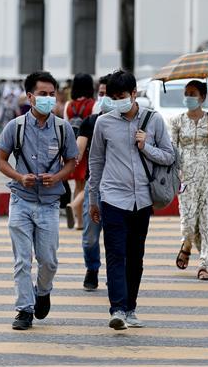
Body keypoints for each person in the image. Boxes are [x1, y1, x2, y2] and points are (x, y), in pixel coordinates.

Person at [88, 70, 175, 330]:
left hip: (142, 200)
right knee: (115, 253)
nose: (117, 101)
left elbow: (169, 157)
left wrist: (145, 146)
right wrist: (93, 199)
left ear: (134, 94)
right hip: (112, 198)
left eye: (122, 96)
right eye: (113, 97)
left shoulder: (154, 120)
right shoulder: (103, 123)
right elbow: (96, 161)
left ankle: (131, 307)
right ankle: (117, 309)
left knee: (135, 256)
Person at [0, 71, 78, 331]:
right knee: (22, 260)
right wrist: (20, 177)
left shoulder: (63, 128)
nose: (48, 99)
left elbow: (72, 163)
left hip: (50, 204)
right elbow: (0, 161)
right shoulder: (15, 126)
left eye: (52, 95)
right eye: (43, 94)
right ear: (30, 96)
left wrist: (57, 178)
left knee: (48, 260)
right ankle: (24, 309)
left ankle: (43, 291)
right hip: (20, 200)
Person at [170, 80, 208, 280]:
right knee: (189, 222)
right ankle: (187, 243)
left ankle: (204, 265)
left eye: (193, 93)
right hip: (186, 179)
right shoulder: (176, 121)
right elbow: (171, 150)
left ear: (203, 97)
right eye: (187, 93)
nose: (188, 97)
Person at [76, 77, 112, 291]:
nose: (104, 98)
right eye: (101, 93)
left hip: (119, 186)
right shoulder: (90, 122)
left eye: (108, 93)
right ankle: (92, 267)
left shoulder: (127, 123)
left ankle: (115, 274)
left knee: (115, 236)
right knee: (90, 238)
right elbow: (79, 150)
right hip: (95, 186)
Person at [65, 73, 97, 230]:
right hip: (89, 149)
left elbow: (65, 127)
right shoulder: (93, 104)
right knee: (88, 185)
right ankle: (75, 206)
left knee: (77, 185)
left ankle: (79, 222)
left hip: (73, 148)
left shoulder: (68, 105)